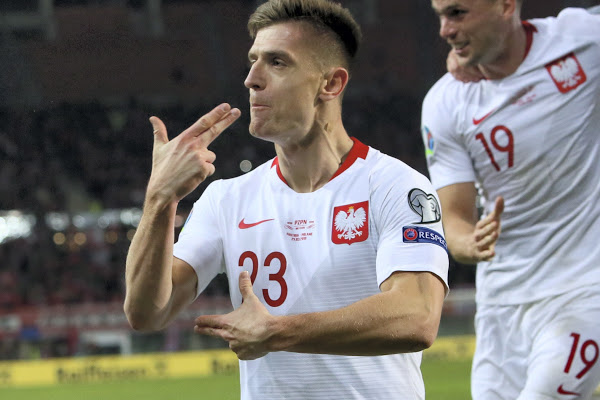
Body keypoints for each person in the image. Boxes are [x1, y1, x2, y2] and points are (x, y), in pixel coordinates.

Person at [124, 0, 449, 398]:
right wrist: (159, 199)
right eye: (253, 61)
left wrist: (278, 331)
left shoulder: (396, 186)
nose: (251, 79)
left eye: (277, 62)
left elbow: (417, 316)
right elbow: (147, 313)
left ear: (330, 84)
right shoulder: (226, 199)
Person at [422, 1, 600, 399]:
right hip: (501, 303)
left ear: (505, 5)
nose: (445, 30)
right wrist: (469, 242)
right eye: (440, 15)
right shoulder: (445, 102)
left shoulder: (581, 38)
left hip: (586, 290)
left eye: (458, 13)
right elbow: (453, 217)